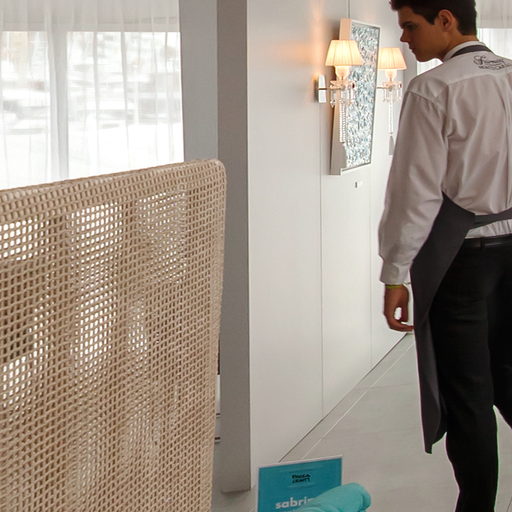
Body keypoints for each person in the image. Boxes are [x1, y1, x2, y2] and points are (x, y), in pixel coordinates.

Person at [378, 1, 512, 511]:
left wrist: (395, 272)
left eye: (410, 26)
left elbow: (414, 194)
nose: (405, 39)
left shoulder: (433, 88)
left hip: (463, 261)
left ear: (446, 20)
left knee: (468, 394)